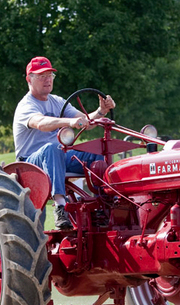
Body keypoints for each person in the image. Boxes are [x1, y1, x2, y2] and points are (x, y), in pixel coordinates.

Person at [13, 56, 115, 229]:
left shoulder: (58, 101)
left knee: (96, 151)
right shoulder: (26, 105)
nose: (47, 79)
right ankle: (60, 206)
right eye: (41, 76)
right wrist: (68, 122)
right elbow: (41, 123)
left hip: (58, 156)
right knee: (53, 148)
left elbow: (84, 121)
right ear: (29, 79)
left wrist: (101, 111)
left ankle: (104, 203)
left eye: (50, 75)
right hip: (30, 163)